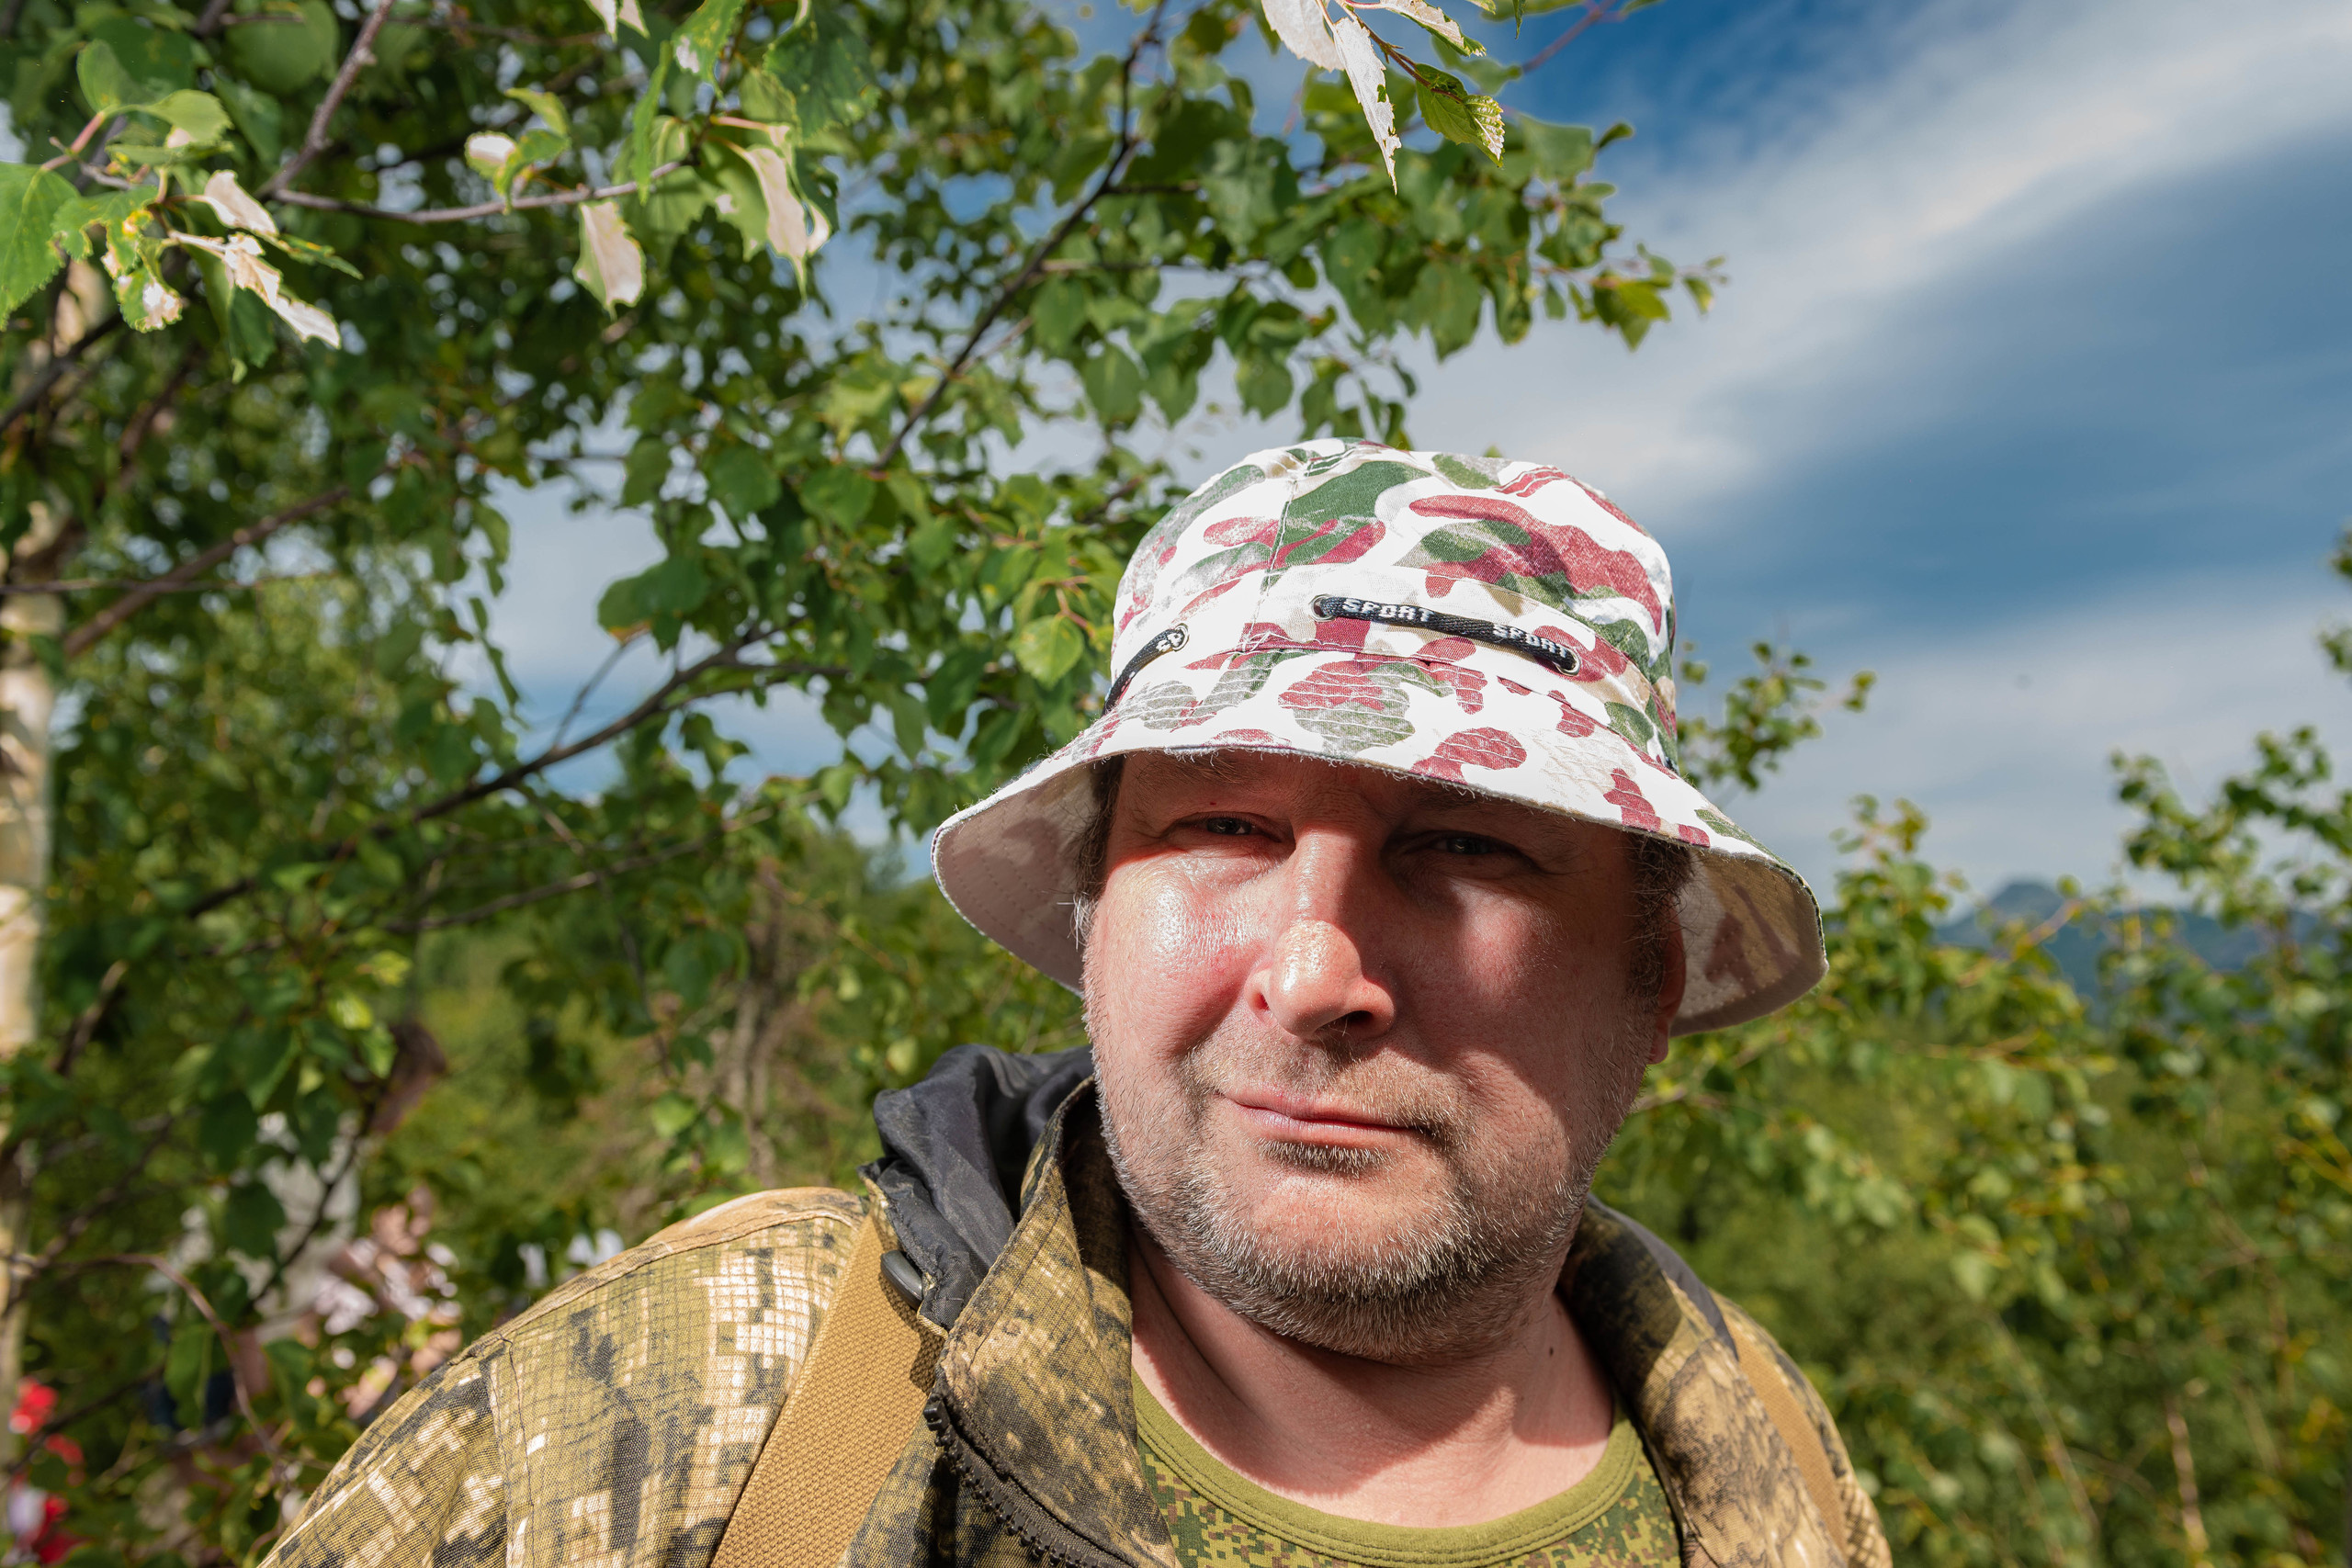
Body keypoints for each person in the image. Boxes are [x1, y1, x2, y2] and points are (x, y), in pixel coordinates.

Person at [265, 440, 1890, 1568]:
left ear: (1651, 975)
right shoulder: (687, 1415)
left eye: (1464, 849)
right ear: (1099, 904)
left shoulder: (1785, 1476)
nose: (1314, 974)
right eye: (1221, 827)